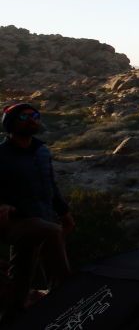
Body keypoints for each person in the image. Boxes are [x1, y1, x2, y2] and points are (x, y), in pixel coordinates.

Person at [0, 104, 73, 324]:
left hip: (41, 215)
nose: (32, 119)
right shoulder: (1, 154)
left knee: (22, 273)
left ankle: (12, 316)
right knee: (50, 232)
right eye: (24, 116)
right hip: (13, 221)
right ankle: (66, 296)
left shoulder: (42, 151)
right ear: (10, 124)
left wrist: (64, 212)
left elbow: (50, 185)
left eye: (35, 115)